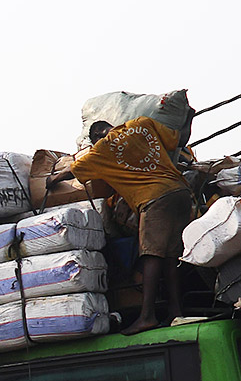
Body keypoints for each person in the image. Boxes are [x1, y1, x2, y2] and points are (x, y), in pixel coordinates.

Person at [66, 109, 193, 334]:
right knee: (171, 256)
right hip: (181, 193)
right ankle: (176, 312)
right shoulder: (142, 124)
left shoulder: (102, 150)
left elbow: (73, 171)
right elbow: (179, 140)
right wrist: (188, 116)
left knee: (151, 255)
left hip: (154, 199)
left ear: (96, 137)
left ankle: (147, 316)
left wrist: (51, 180)